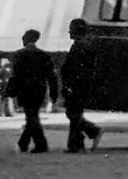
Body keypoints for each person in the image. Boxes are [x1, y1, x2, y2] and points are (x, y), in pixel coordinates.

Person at [9, 29, 60, 154]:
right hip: (39, 90)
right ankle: (23, 143)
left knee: (31, 117)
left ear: (26, 38)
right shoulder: (44, 55)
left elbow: (16, 75)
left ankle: (40, 144)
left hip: (25, 90)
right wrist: (54, 93)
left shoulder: (19, 55)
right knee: (32, 116)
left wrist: (11, 91)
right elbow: (51, 77)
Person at [61, 19, 103, 153]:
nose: (69, 32)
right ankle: (77, 142)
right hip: (81, 85)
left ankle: (92, 131)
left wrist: (69, 85)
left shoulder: (79, 46)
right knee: (74, 113)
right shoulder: (85, 44)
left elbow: (75, 69)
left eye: (71, 29)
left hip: (76, 85)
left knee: (73, 113)